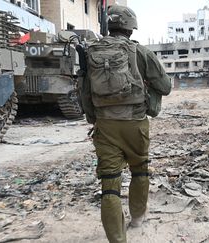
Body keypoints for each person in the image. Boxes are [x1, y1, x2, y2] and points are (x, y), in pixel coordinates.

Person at [79, 5, 171, 243]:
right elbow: (165, 87)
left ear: (110, 26)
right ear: (131, 26)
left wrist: (94, 118)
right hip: (135, 124)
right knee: (140, 169)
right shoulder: (139, 51)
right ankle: (138, 217)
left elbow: (84, 91)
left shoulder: (91, 52)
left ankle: (117, 240)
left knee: (109, 185)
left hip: (105, 127)